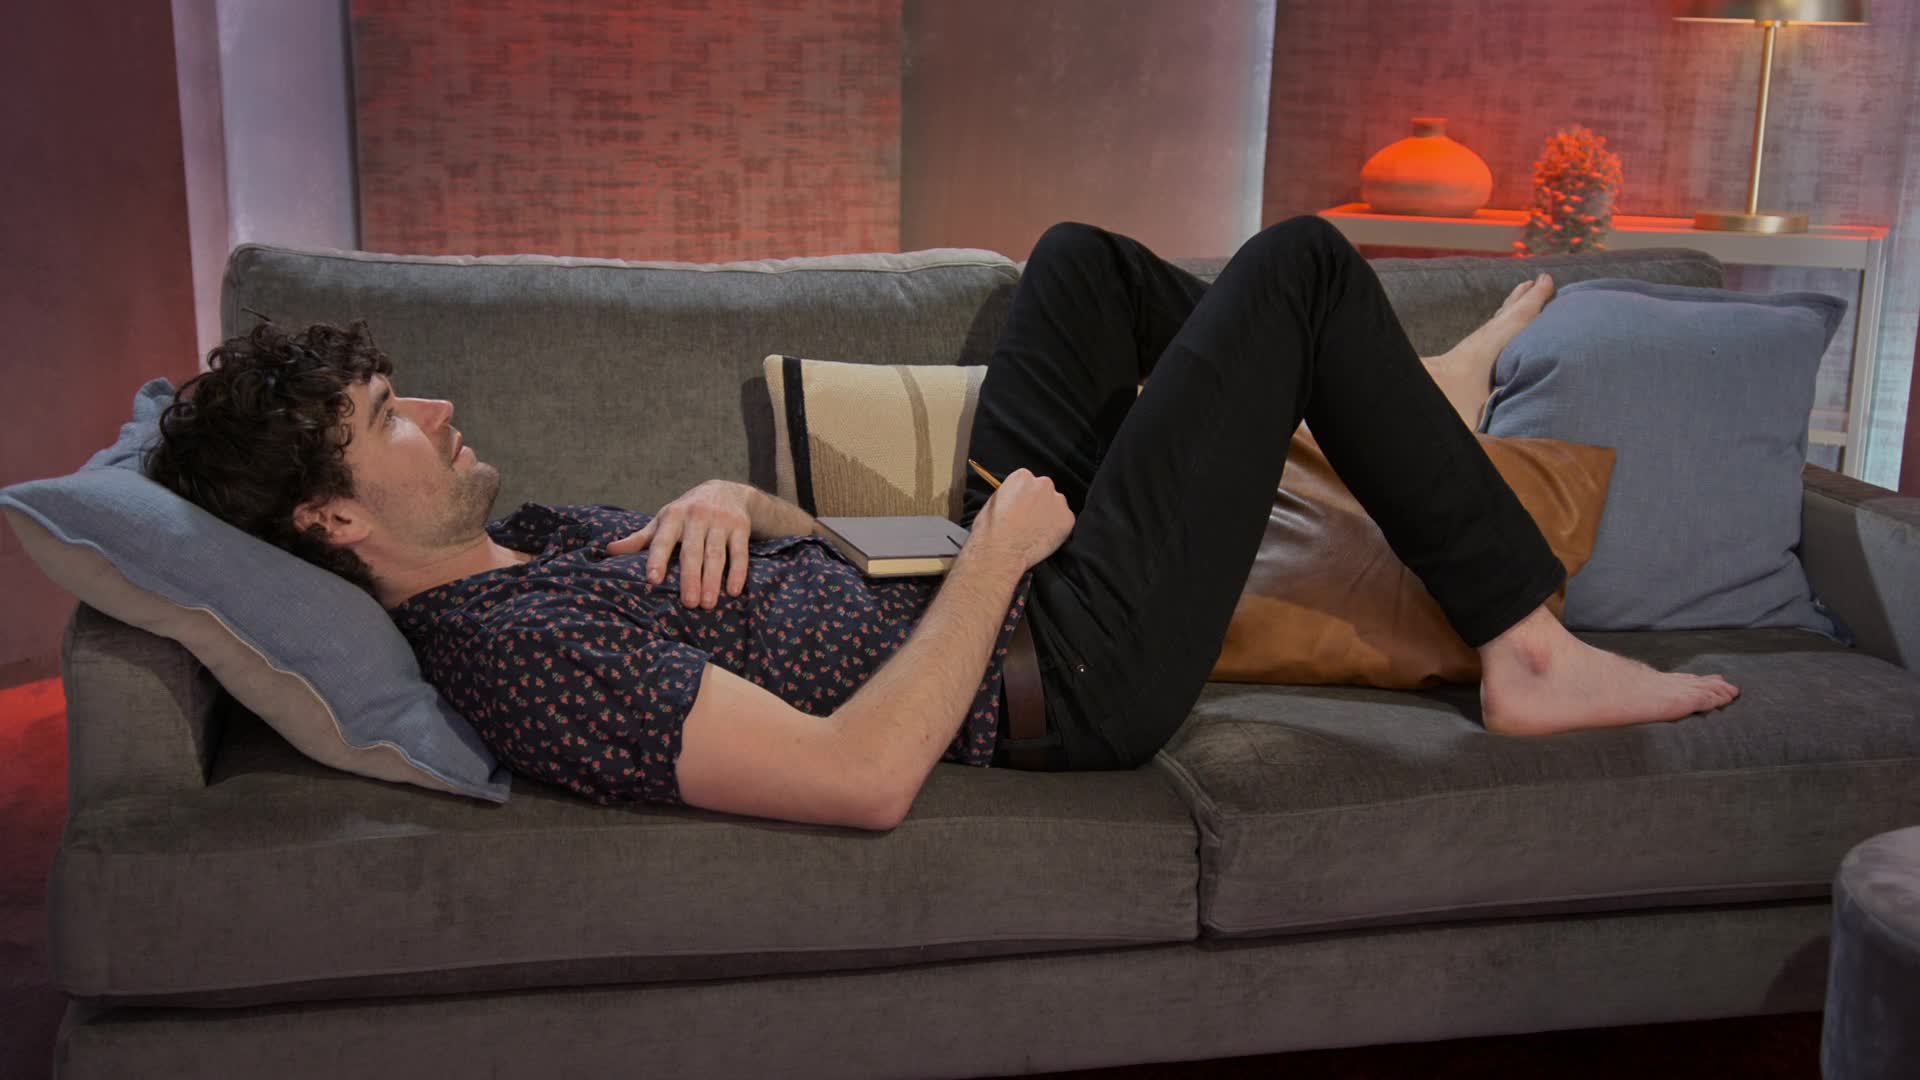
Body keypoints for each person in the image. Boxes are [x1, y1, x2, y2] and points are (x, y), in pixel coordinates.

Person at [146, 218, 1738, 830]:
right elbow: (855, 778)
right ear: (332, 516)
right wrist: (994, 564)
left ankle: (1370, 405)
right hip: (1064, 667)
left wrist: (737, 496)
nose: (435, 410)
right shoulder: (517, 651)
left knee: (1081, 265)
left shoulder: (543, 541)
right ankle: (1524, 644)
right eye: (391, 419)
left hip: (970, 580)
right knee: (1302, 268)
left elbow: (791, 554)